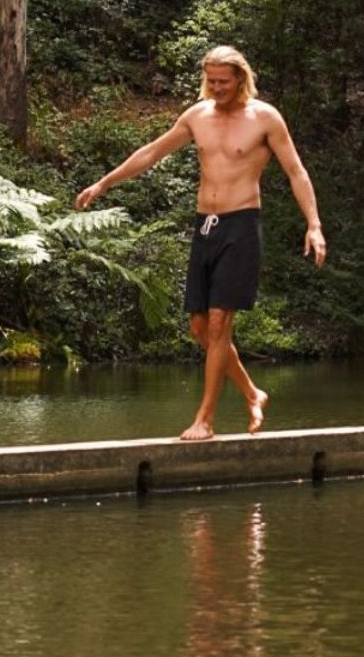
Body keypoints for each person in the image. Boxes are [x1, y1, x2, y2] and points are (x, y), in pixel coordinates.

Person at [75, 45, 326, 441]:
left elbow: (296, 171)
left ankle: (204, 420)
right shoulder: (197, 115)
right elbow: (152, 152)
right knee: (199, 328)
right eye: (210, 80)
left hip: (242, 225)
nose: (216, 87)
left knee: (219, 321)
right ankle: (252, 392)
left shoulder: (265, 118)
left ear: (241, 78)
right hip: (205, 227)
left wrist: (313, 224)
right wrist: (104, 183)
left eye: (223, 81)